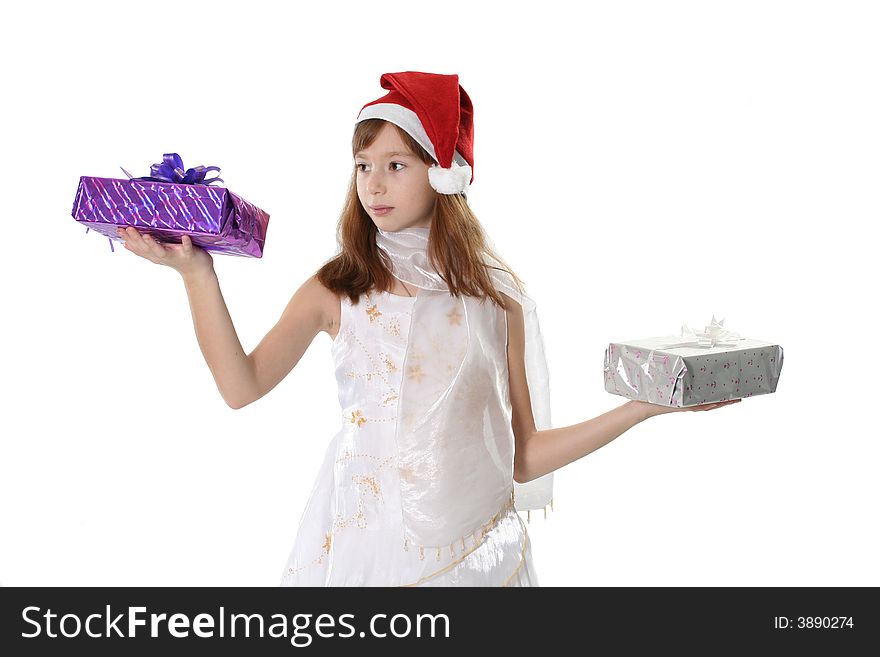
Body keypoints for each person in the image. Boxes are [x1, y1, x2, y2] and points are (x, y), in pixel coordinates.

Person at [116, 71, 740, 587]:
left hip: (473, 549)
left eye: (396, 164)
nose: (374, 184)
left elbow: (522, 457)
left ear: (443, 175)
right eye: (363, 166)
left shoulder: (496, 303)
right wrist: (197, 274)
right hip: (367, 541)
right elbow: (241, 385)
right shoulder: (340, 288)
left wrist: (640, 409)